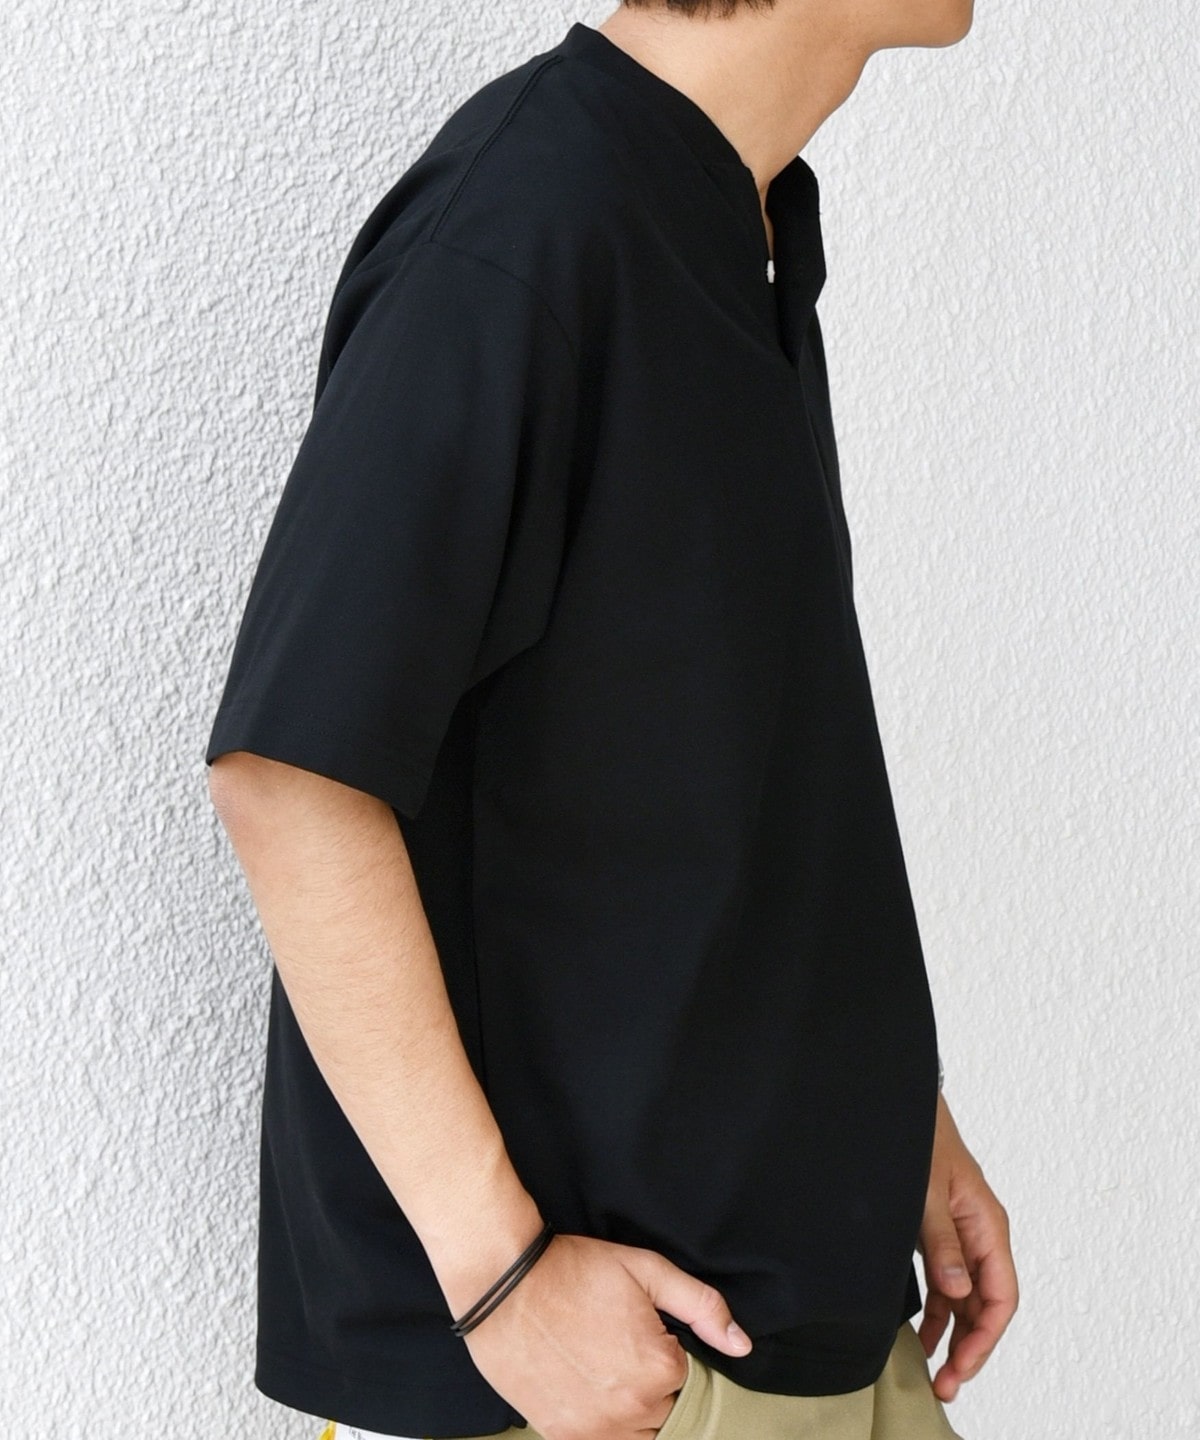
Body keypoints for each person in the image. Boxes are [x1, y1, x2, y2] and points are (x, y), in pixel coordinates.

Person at [204, 1, 1019, 1437]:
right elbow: (291, 773)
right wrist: (502, 1277)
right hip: (608, 1380)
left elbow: (690, 768)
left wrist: (904, 1126)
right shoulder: (530, 224)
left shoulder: (732, 217)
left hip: (809, 1331)